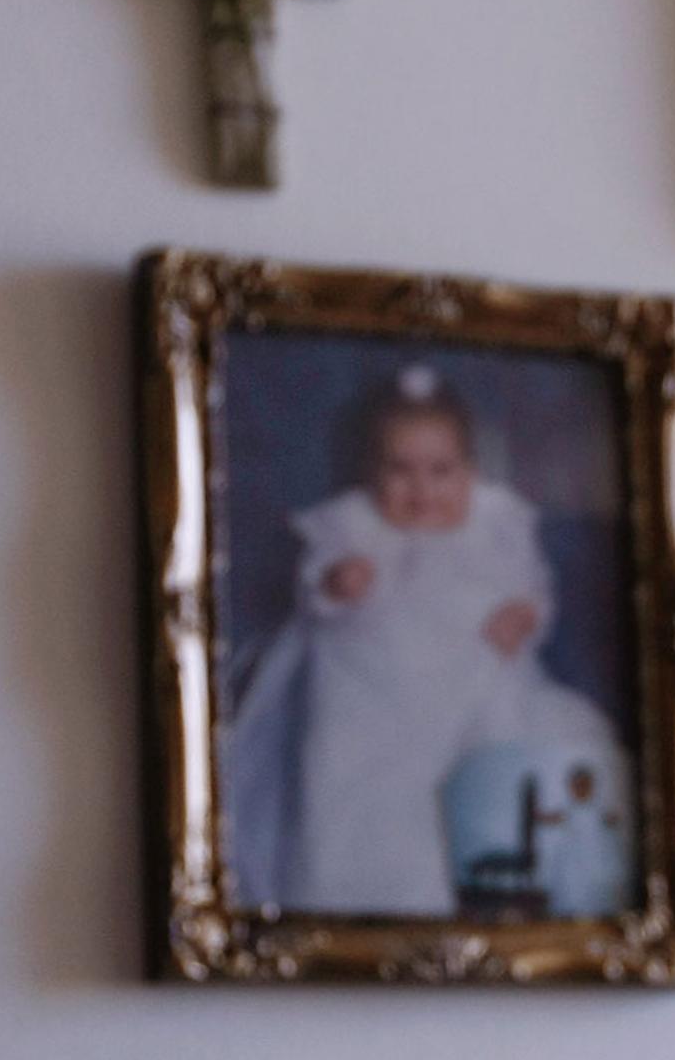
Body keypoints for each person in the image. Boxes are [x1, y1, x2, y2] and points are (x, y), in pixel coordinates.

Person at [218, 367, 620, 918]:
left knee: (515, 749)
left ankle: (472, 873)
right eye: (400, 471)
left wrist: (525, 614)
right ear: (372, 472)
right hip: (371, 689)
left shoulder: (494, 522)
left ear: (470, 471)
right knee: (353, 777)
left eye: (440, 471)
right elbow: (314, 591)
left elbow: (532, 587)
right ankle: (348, 891)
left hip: (473, 682)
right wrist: (336, 584)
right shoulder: (351, 522)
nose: (422, 490)